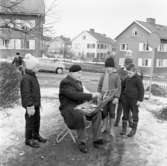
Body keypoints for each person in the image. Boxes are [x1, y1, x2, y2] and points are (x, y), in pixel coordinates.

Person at [59, 64, 105, 153]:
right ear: (71, 73)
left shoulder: (78, 81)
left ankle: (97, 139)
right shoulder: (65, 82)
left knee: (97, 112)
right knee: (79, 115)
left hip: (80, 106)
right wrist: (91, 95)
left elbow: (84, 92)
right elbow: (74, 95)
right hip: (69, 108)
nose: (80, 74)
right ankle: (82, 142)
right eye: (78, 73)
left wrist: (93, 96)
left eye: (81, 72)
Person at [20, 55, 47, 148]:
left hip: (36, 104)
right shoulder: (26, 78)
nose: (38, 68)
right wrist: (30, 105)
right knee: (30, 123)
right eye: (37, 67)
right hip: (30, 105)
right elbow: (26, 93)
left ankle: (36, 135)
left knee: (37, 121)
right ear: (31, 67)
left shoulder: (32, 76)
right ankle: (28, 139)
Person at [97, 57, 121, 137]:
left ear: (113, 67)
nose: (108, 69)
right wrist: (99, 93)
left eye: (110, 67)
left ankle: (111, 129)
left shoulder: (116, 76)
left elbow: (119, 88)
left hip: (112, 99)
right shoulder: (103, 75)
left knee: (112, 113)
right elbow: (99, 86)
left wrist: (117, 97)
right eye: (107, 67)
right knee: (104, 113)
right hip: (104, 98)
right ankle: (104, 126)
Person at [120, 64, 144, 137]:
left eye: (130, 73)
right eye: (128, 72)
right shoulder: (127, 78)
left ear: (134, 72)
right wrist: (122, 96)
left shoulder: (138, 79)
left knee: (134, 114)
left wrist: (140, 100)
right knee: (125, 114)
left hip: (134, 100)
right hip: (126, 99)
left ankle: (133, 130)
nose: (128, 74)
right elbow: (122, 86)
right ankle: (124, 129)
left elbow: (141, 90)